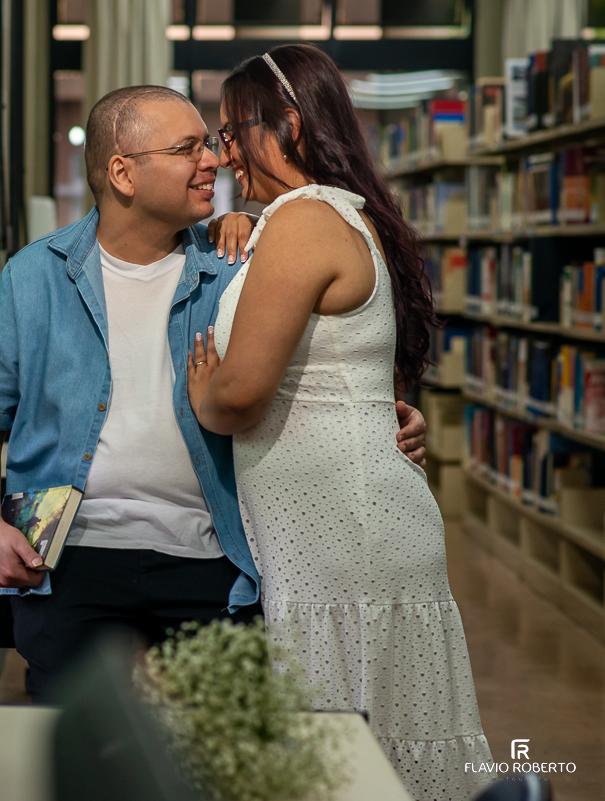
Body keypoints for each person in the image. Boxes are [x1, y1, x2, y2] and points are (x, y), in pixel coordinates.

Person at [0, 84, 428, 701]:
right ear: (123, 172)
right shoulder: (34, 277)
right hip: (71, 556)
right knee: (85, 754)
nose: (215, 160)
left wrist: (385, 416)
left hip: (215, 558)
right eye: (188, 148)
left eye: (210, 144)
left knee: (219, 763)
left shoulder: (239, 267)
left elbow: (321, 373)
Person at [186, 44, 490, 800]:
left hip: (343, 544)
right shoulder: (318, 217)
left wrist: (205, 396)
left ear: (286, 123)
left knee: (348, 756)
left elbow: (243, 390)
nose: (224, 156)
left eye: (231, 134)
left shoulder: (304, 222)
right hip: (340, 534)